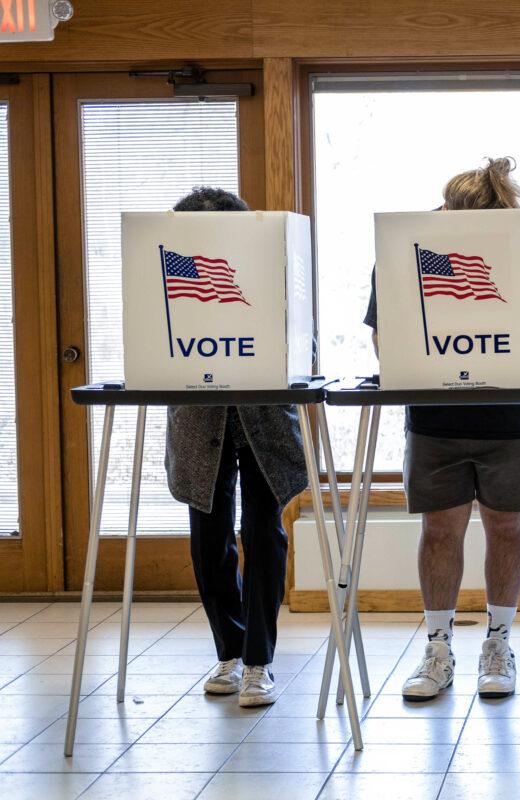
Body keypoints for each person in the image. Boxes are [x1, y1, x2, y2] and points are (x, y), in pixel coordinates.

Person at [363, 157, 520, 701]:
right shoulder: (413, 239)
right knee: (440, 529)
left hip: (513, 417)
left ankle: (499, 643)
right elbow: (383, 328)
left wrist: (515, 371)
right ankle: (437, 647)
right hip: (435, 418)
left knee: (507, 527)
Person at [165, 187, 307, 708]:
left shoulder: (273, 264)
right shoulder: (170, 268)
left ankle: (258, 661)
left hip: (264, 413)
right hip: (198, 415)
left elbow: (302, 337)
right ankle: (228, 650)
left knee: (263, 532)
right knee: (209, 534)